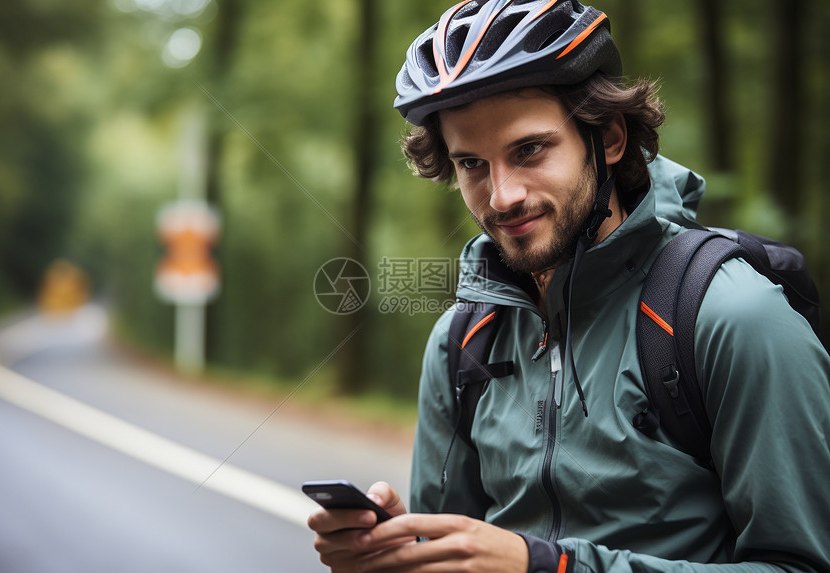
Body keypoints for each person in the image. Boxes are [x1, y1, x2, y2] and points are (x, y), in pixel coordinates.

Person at [307, 1, 830, 571]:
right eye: (472, 165)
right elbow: (459, 558)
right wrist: (396, 552)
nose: (501, 196)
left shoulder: (733, 316)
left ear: (606, 136)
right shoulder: (463, 342)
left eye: (528, 150)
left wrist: (550, 566)